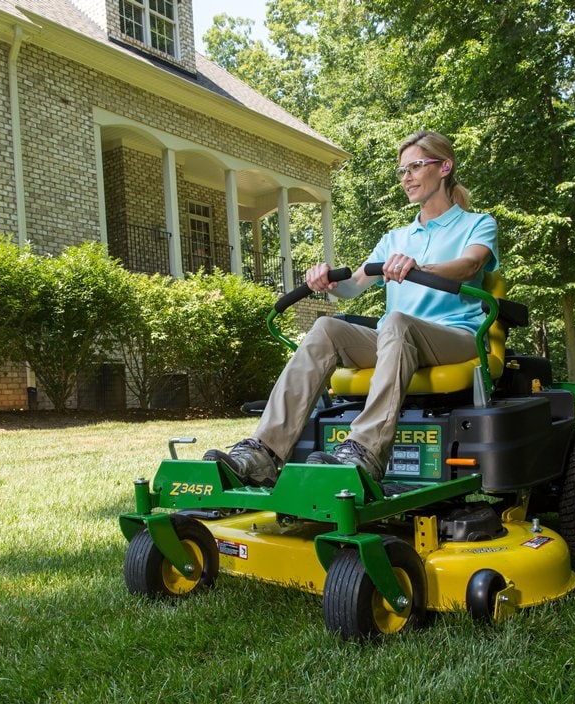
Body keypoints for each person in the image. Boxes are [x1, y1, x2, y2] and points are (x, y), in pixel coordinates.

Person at [204, 130, 499, 486]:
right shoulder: (394, 238)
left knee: (397, 322)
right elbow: (355, 285)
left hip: (456, 336)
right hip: (398, 339)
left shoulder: (477, 223)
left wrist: (419, 269)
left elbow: (469, 266)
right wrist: (326, 279)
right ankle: (263, 452)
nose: (406, 178)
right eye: (401, 171)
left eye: (415, 167)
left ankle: (364, 453)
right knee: (328, 329)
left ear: (445, 167)